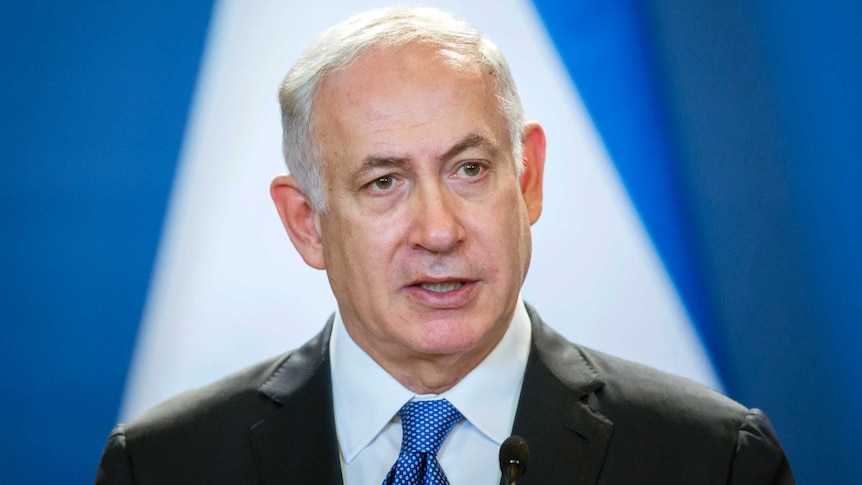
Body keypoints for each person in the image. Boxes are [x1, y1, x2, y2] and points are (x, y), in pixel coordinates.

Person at [95, 6, 793, 484]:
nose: (438, 230)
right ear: (306, 221)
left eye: (469, 169)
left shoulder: (714, 460)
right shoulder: (163, 466)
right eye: (384, 182)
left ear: (528, 180)